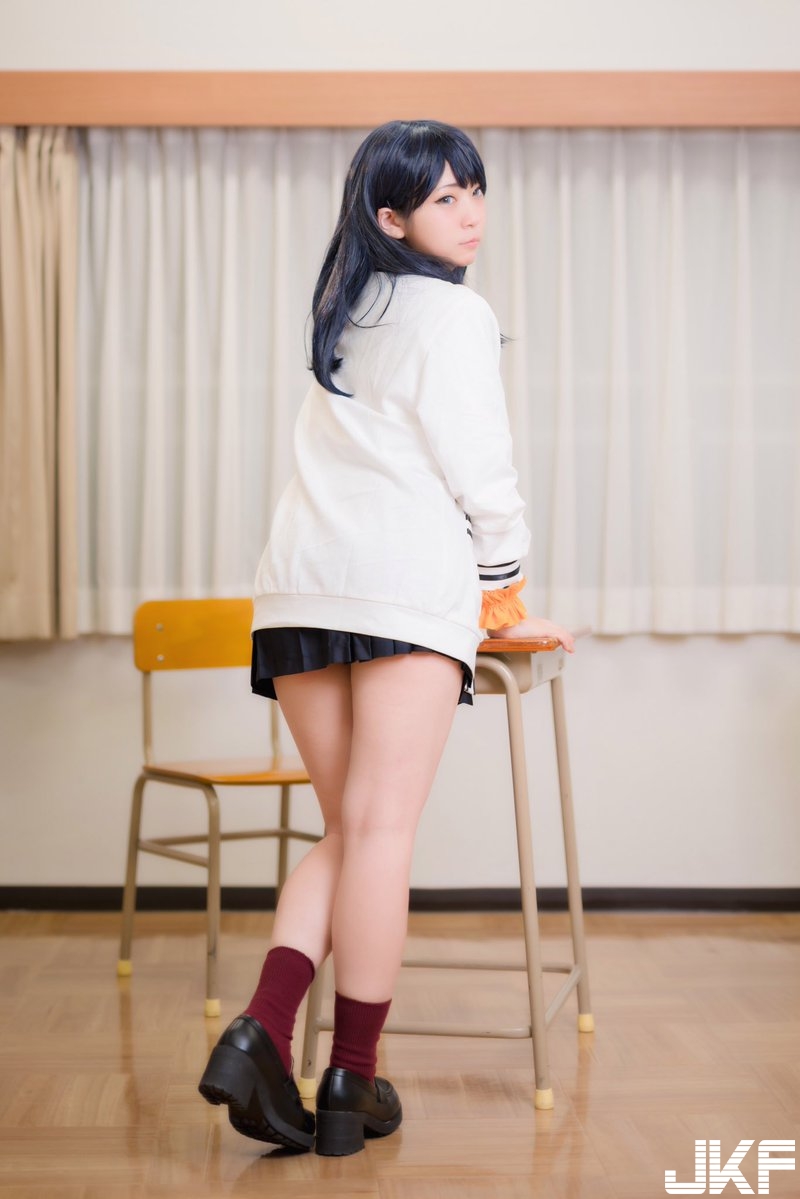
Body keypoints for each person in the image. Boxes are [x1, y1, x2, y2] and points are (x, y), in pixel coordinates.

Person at [198, 118, 575, 1158]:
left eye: (474, 191)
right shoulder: (454, 315)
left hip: (298, 588)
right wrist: (504, 595)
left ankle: (259, 1031)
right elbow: (480, 470)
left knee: (346, 831)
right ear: (392, 216)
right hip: (400, 590)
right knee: (378, 835)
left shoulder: (349, 305)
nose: (472, 213)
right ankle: (349, 1080)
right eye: (446, 197)